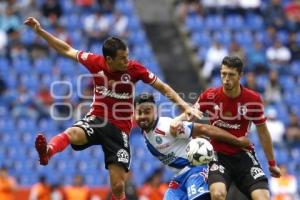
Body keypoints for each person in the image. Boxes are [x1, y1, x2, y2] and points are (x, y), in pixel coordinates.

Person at [24, 17, 198, 200]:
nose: (127, 61)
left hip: (119, 129)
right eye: (122, 59)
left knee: (117, 186)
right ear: (109, 59)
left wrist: (184, 106)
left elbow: (162, 87)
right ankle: (48, 152)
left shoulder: (134, 69)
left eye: (127, 56)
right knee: (74, 132)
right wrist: (40, 31)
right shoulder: (95, 62)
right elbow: (66, 49)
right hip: (97, 118)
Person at [193, 56, 281, 200]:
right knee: (217, 194)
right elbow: (191, 114)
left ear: (240, 75)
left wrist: (272, 163)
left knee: (263, 197)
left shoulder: (253, 100)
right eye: (223, 74)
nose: (226, 79)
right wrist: (177, 121)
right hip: (218, 155)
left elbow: (263, 132)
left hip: (243, 156)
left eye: (231, 74)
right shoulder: (209, 95)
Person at [134, 93, 251, 200]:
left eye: (147, 112)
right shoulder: (145, 133)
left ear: (155, 112)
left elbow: (203, 129)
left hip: (196, 168)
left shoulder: (166, 127)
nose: (143, 116)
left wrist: (237, 141)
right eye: (139, 113)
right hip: (179, 178)